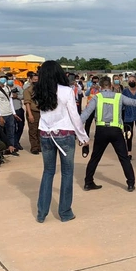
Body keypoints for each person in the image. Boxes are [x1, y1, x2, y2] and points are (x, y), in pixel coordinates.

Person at [81, 76, 136, 192]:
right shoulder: (118, 97)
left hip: (101, 131)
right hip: (116, 131)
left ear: (100, 86)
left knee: (95, 157)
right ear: (111, 85)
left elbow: (85, 115)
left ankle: (88, 182)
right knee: (124, 158)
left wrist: (74, 129)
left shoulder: (96, 98)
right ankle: (130, 183)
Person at [34, 61, 90, 223]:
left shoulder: (39, 90)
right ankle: (65, 212)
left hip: (45, 134)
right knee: (66, 173)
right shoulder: (66, 91)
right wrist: (83, 137)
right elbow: (74, 116)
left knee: (48, 172)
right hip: (64, 135)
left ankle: (41, 212)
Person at [0, 72, 20, 154]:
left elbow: (10, 101)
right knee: (0, 134)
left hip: (9, 114)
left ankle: (11, 148)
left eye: (4, 77)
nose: (3, 79)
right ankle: (1, 149)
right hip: (0, 115)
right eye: (1, 77)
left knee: (11, 133)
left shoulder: (7, 88)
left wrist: (14, 113)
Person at [23, 73, 41, 154]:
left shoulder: (41, 89)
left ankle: (40, 146)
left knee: (40, 130)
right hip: (33, 111)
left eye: (37, 80)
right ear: (30, 80)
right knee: (33, 130)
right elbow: (27, 103)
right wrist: (30, 114)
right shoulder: (28, 90)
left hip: (41, 112)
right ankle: (34, 147)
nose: (36, 81)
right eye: (34, 80)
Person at [83, 75, 101, 157]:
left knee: (98, 122)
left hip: (97, 107)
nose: (95, 82)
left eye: (96, 80)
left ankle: (97, 135)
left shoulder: (99, 87)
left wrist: (98, 89)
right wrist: (90, 89)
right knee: (88, 122)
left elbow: (102, 94)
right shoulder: (89, 85)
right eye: (94, 80)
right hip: (90, 106)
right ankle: (86, 135)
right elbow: (86, 94)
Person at [7, 73, 25, 151]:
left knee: (21, 127)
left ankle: (16, 141)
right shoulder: (5, 89)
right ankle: (14, 144)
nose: (10, 80)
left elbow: (23, 96)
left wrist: (16, 96)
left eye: (11, 79)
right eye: (8, 79)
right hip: (10, 111)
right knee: (12, 128)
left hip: (18, 109)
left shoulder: (18, 87)